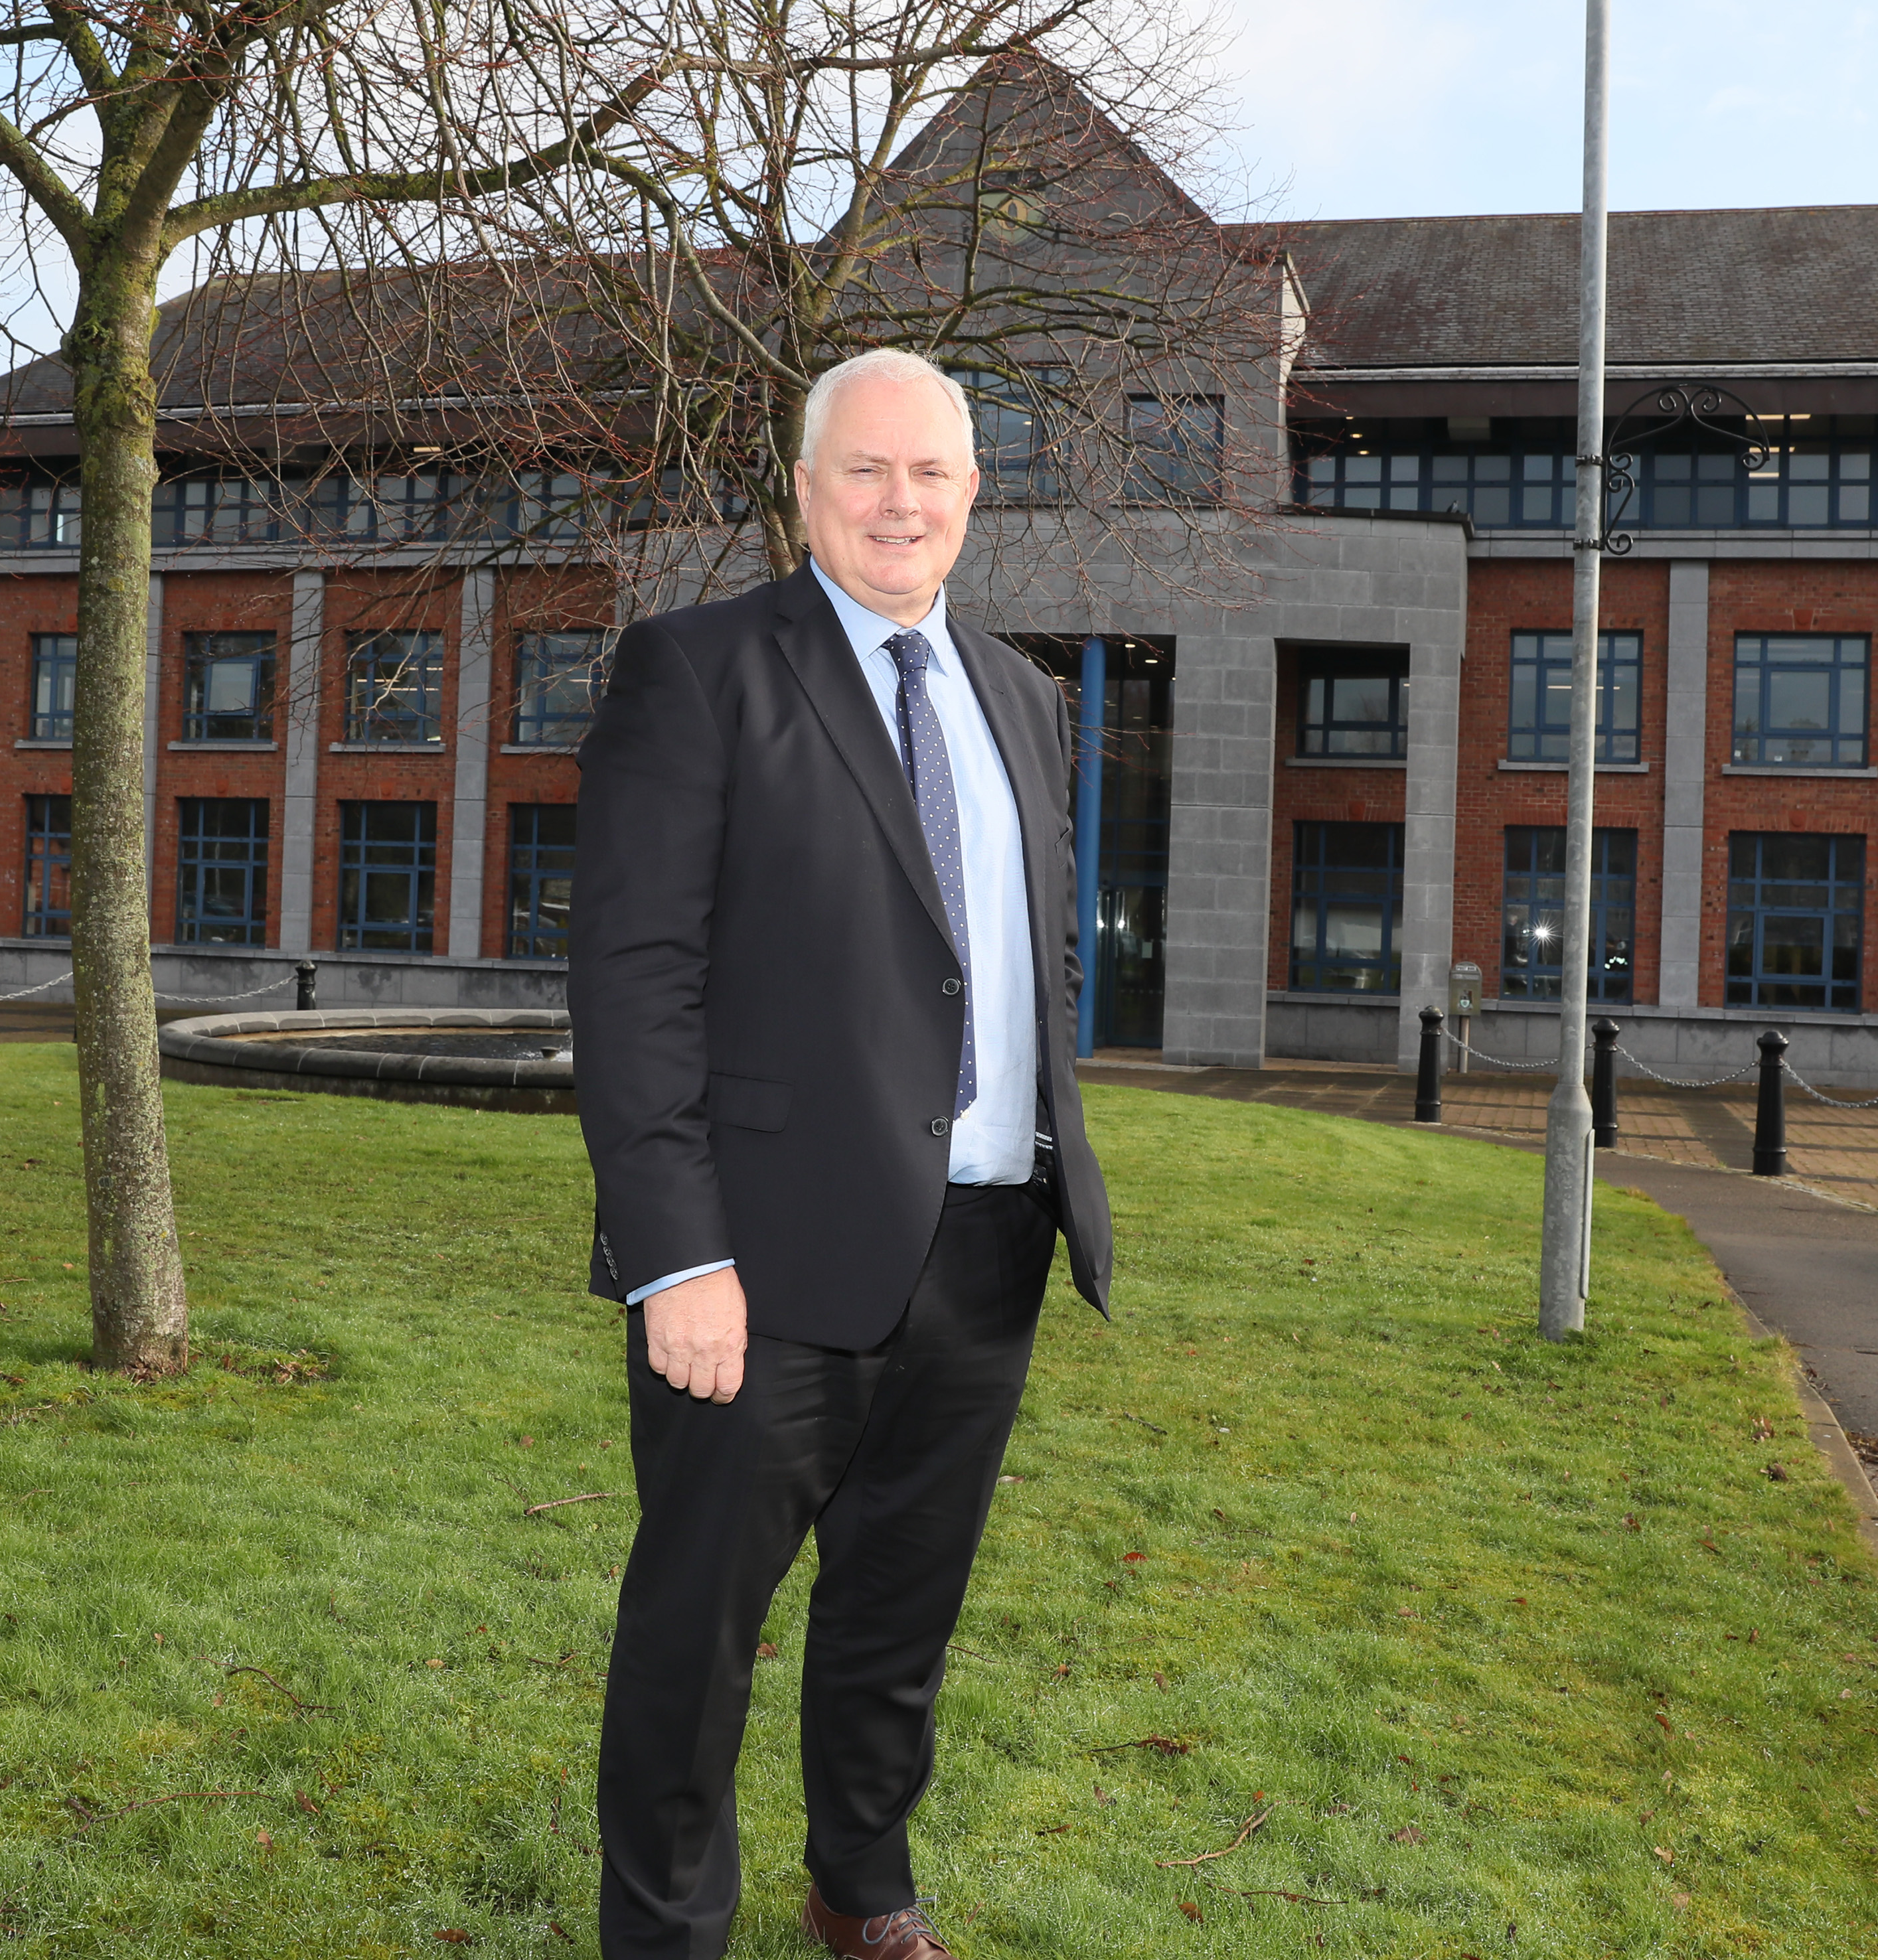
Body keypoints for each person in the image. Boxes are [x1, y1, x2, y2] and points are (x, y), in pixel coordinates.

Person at [569, 346, 1115, 1960]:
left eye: (930, 471)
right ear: (805, 491)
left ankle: (861, 1887)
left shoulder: (1025, 697)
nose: (899, 500)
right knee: (698, 1632)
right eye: (864, 470)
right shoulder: (696, 670)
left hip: (988, 1243)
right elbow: (633, 981)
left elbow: (1012, 962)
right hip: (761, 1257)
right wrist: (676, 1253)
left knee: (899, 1615)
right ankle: (666, 1933)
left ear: (971, 494)